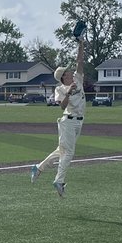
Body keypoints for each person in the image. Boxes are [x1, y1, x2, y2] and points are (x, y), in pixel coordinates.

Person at [30, 36, 87, 197]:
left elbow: (80, 61)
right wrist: (68, 92)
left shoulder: (78, 79)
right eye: (67, 72)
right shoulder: (60, 89)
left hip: (79, 122)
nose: (70, 72)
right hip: (67, 121)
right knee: (68, 153)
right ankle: (59, 181)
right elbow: (62, 106)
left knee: (61, 151)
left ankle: (38, 168)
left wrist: (80, 43)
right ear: (63, 77)